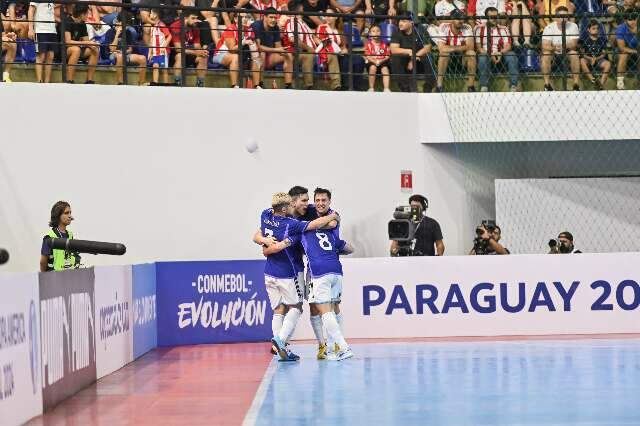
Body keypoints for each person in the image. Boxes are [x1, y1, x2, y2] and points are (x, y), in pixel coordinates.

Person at [265, 191, 354, 362]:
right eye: (305, 201)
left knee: (320, 308)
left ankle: (337, 346)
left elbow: (333, 222)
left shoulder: (300, 221)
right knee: (306, 308)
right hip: (323, 270)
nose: (310, 204)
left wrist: (271, 244)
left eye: (310, 200)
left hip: (315, 271)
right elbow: (345, 243)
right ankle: (320, 346)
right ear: (292, 203)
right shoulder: (296, 224)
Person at [475, 6, 519, 92]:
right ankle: (484, 86)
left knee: (512, 55)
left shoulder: (503, 28)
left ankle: (513, 85)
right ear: (486, 17)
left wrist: (500, 53)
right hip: (486, 55)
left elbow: (508, 45)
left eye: (496, 16)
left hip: (501, 56)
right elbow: (479, 47)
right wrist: (490, 54)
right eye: (491, 17)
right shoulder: (479, 29)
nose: (494, 19)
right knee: (483, 57)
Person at [390, 15, 436, 92]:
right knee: (395, 57)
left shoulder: (420, 29)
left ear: (411, 22)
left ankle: (428, 87)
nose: (400, 23)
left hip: (418, 59)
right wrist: (409, 51)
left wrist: (414, 57)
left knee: (428, 56)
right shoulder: (396, 32)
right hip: (404, 62)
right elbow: (393, 49)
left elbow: (428, 47)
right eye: (400, 21)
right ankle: (405, 88)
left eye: (403, 21)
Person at [540, 6, 580, 91]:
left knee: (574, 53)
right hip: (553, 53)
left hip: (567, 53)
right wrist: (553, 48)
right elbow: (544, 45)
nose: (564, 18)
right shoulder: (549, 27)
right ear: (556, 18)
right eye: (561, 16)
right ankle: (547, 85)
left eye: (566, 16)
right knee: (546, 54)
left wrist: (562, 46)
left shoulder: (573, 26)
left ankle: (576, 85)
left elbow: (574, 44)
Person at [436, 10, 476, 92]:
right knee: (444, 53)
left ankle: (471, 86)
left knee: (471, 53)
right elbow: (441, 48)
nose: (460, 21)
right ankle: (439, 86)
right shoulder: (444, 27)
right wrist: (460, 47)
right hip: (449, 58)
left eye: (462, 18)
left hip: (462, 58)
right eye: (457, 18)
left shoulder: (467, 27)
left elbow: (471, 46)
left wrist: (451, 47)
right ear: (451, 19)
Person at [252, 8, 293, 88]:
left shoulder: (276, 28)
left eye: (275, 17)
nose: (273, 20)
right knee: (262, 54)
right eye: (271, 17)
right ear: (265, 17)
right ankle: (259, 84)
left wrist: (284, 50)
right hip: (253, 57)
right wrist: (277, 50)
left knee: (288, 55)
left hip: (269, 57)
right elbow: (258, 48)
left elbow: (278, 47)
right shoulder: (257, 25)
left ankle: (288, 85)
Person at [170, 11, 208, 87]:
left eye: (196, 19)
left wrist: (200, 53)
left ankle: (200, 83)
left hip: (190, 52)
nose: (195, 21)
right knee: (180, 55)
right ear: (185, 18)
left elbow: (197, 45)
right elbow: (178, 48)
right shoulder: (175, 26)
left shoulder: (195, 28)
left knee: (203, 57)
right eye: (193, 18)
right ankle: (178, 82)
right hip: (175, 54)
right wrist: (195, 53)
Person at [62, 4, 99, 84]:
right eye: (87, 14)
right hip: (64, 50)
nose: (88, 16)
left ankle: (89, 80)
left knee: (94, 49)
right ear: (82, 14)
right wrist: (86, 42)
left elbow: (86, 40)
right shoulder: (67, 21)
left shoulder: (82, 24)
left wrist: (93, 44)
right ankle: (69, 80)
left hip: (77, 48)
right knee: (76, 50)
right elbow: (68, 42)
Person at [40, 201, 79, 272]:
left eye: (70, 213)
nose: (70, 216)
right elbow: (42, 262)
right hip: (54, 278)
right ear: (58, 215)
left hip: (68, 277)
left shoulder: (70, 235)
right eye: (66, 213)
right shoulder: (49, 236)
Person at [110, 19, 148, 85]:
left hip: (125, 54)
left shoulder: (127, 32)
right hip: (114, 54)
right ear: (117, 23)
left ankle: (141, 83)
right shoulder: (110, 32)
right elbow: (112, 49)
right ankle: (120, 83)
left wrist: (123, 51)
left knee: (143, 58)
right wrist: (117, 35)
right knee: (119, 56)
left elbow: (130, 49)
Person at [28, 0, 57, 83]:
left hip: (52, 30)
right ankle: (39, 81)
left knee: (50, 56)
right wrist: (31, 28)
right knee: (41, 56)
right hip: (40, 29)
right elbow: (30, 11)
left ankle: (47, 82)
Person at [580, 19, 610, 90]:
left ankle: (601, 84)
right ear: (588, 30)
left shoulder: (601, 40)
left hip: (598, 59)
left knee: (608, 64)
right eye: (593, 28)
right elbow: (582, 54)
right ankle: (592, 79)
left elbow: (603, 54)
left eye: (597, 29)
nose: (596, 30)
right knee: (582, 61)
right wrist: (590, 59)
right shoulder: (584, 40)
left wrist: (596, 59)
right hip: (588, 59)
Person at [148, 8, 172, 85]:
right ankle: (155, 83)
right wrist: (150, 52)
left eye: (151, 13)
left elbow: (169, 36)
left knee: (164, 69)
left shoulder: (161, 25)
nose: (149, 15)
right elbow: (151, 40)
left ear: (155, 15)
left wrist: (164, 46)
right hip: (155, 52)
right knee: (155, 66)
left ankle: (166, 85)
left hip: (163, 52)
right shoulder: (153, 27)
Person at [615, 10, 638, 90]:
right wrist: (636, 51)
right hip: (624, 50)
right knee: (623, 55)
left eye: (634, 18)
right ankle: (620, 83)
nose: (633, 21)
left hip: (637, 49)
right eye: (630, 19)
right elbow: (621, 47)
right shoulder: (621, 28)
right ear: (625, 20)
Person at [365, 23, 391, 91]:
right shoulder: (368, 44)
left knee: (385, 69)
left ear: (381, 33)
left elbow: (387, 55)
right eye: (373, 31)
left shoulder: (384, 44)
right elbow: (367, 56)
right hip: (372, 62)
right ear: (370, 34)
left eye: (378, 31)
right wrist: (375, 62)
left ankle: (386, 88)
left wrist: (381, 61)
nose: (376, 32)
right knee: (372, 68)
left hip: (382, 61)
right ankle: (371, 88)